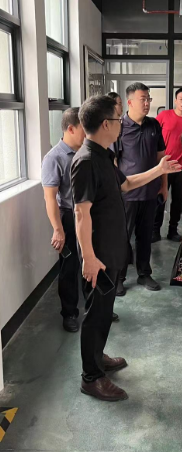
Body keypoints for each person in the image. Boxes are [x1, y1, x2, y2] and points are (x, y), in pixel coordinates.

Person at [71, 95, 180, 401]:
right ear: (106, 124)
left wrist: (158, 170)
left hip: (110, 250)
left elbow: (126, 184)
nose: (121, 124)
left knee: (105, 311)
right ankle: (91, 377)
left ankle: (98, 357)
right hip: (97, 256)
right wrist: (89, 258)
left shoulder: (103, 155)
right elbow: (81, 213)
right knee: (95, 314)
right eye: (118, 119)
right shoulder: (85, 161)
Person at [114, 82, 167, 296]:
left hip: (150, 192)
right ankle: (119, 277)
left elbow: (161, 158)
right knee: (122, 237)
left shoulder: (154, 125)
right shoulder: (119, 127)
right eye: (142, 99)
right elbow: (114, 162)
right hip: (126, 194)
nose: (147, 103)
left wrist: (163, 186)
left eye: (148, 99)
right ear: (130, 102)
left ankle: (144, 273)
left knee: (145, 236)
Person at [41, 108, 86, 333]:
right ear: (70, 129)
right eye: (84, 129)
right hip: (69, 217)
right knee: (70, 267)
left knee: (92, 261)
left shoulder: (87, 152)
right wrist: (58, 230)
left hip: (89, 215)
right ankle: (69, 313)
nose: (88, 134)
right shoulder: (54, 158)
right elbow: (50, 198)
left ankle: (94, 306)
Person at [153, 87, 182, 243]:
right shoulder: (164, 115)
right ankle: (155, 231)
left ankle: (173, 230)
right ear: (175, 100)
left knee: (177, 201)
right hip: (163, 165)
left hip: (181, 167)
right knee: (160, 198)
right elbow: (153, 135)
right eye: (180, 99)